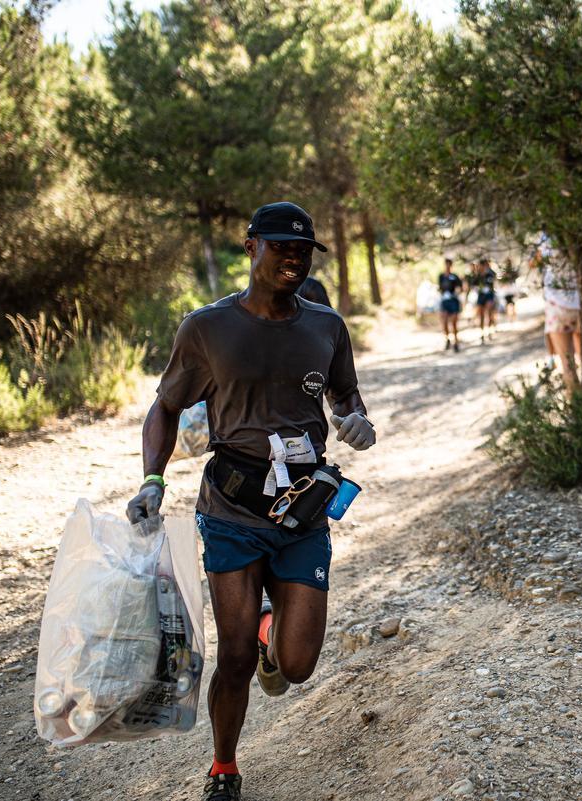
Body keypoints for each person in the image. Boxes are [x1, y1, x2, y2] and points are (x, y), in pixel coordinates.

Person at [126, 201, 376, 801]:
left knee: (296, 666)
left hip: (303, 510)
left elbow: (346, 396)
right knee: (233, 655)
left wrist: (356, 420)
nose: (292, 258)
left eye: (303, 250)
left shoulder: (326, 327)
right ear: (251, 247)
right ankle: (223, 767)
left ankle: (274, 634)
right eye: (280, 246)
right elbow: (164, 406)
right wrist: (152, 482)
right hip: (232, 508)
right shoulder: (207, 328)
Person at [531, 234, 581, 391]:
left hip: (557, 305)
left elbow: (534, 263)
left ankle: (577, 409)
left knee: (567, 365)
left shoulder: (547, 238)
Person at [467, 258, 498, 343]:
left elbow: (494, 279)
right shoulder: (478, 275)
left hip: (489, 295)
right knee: (481, 315)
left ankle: (489, 331)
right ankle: (482, 333)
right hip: (481, 296)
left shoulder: (490, 273)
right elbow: (472, 284)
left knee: (489, 313)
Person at [437, 257, 464, 352]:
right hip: (445, 301)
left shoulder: (455, 276)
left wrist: (456, 293)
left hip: (453, 300)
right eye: (446, 264)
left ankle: (456, 342)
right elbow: (439, 288)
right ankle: (447, 339)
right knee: (444, 322)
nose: (447, 266)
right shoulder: (441, 276)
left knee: (454, 322)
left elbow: (460, 288)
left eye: (449, 264)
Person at [497, 258, 520, 322]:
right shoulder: (504, 271)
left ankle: (513, 317)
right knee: (508, 304)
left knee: (513, 304)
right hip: (507, 290)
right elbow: (501, 280)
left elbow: (516, 276)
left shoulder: (513, 270)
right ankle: (509, 317)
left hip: (512, 289)